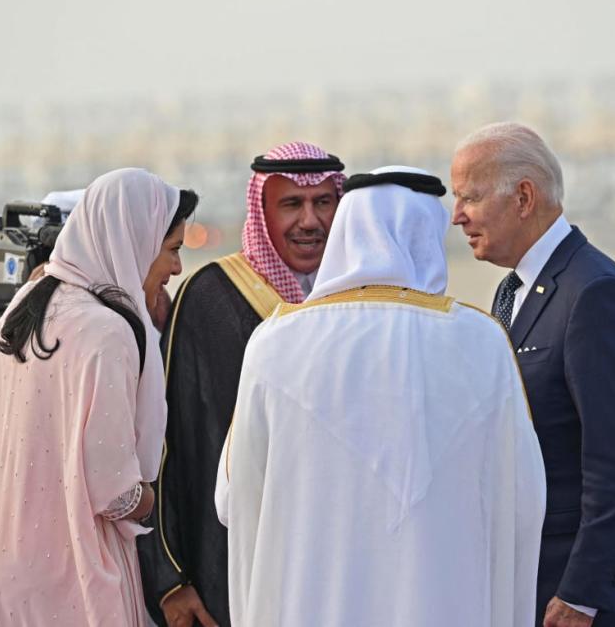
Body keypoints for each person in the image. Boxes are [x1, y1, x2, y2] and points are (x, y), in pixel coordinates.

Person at [215, 166, 547, 627]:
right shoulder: (482, 342)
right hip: (442, 601)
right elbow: (524, 500)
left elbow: (231, 497)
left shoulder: (275, 341)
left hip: (313, 603)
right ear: (427, 233)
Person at [451, 122, 615, 627]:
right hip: (538, 576)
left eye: (469, 197)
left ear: (524, 197)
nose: (456, 216)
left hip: (585, 595)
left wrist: (584, 591)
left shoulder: (592, 291)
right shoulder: (514, 291)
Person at [138, 141, 345, 627]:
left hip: (334, 561)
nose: (310, 221)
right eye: (291, 204)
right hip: (227, 564)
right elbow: (166, 443)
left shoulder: (361, 298)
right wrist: (170, 578)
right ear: (262, 210)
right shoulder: (210, 295)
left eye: (323, 203)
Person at [0, 168, 198, 626]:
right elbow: (114, 491)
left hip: (10, 568)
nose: (177, 268)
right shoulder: (107, 332)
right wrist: (150, 499)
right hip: (75, 577)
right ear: (135, 242)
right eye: (172, 250)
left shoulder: (23, 306)